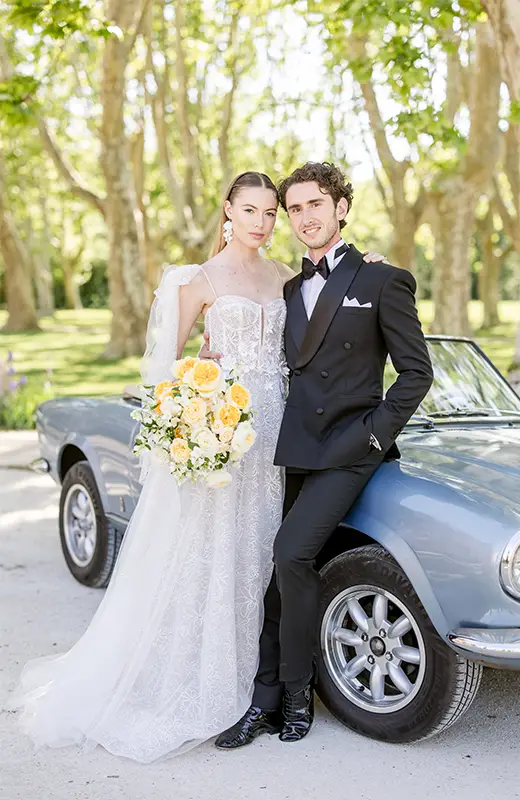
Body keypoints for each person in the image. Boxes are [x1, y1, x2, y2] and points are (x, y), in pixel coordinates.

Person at [11, 170, 385, 762]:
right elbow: (165, 368)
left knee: (264, 557)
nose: (262, 222)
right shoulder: (198, 280)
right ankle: (209, 682)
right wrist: (194, 409)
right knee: (213, 555)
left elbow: (326, 326)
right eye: (251, 210)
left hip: (279, 436)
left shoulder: (287, 278)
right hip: (224, 435)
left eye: (271, 212)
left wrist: (370, 270)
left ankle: (266, 684)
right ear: (228, 212)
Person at [212, 162, 434, 749]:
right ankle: (263, 701)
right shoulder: (289, 289)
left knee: (290, 552)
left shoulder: (384, 279)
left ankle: (297, 693)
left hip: (351, 448)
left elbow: (416, 373)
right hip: (296, 447)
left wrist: (374, 434)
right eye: (295, 209)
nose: (305, 217)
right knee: (278, 577)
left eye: (316, 204)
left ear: (341, 207)